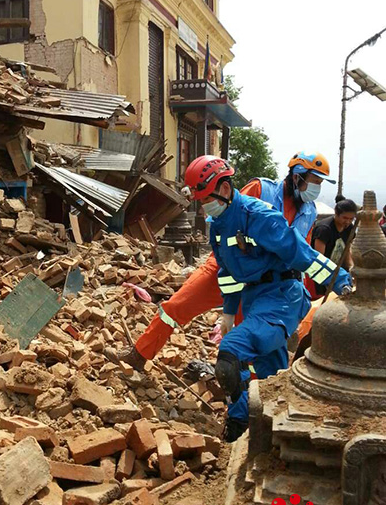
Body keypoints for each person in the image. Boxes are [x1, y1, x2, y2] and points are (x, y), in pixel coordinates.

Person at [105, 151, 335, 371]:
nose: (316, 188)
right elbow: (229, 213)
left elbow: (301, 252)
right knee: (175, 307)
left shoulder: (310, 213)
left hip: (267, 285)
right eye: (314, 181)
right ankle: (139, 354)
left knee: (255, 341)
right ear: (297, 176)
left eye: (320, 183)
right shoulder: (261, 189)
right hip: (225, 266)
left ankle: (246, 392)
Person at [182, 156, 352, 441]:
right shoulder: (219, 226)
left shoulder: (258, 216)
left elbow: (301, 253)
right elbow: (227, 272)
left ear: (224, 189)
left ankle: (249, 407)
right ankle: (240, 428)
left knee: (231, 353)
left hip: (281, 297)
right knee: (270, 373)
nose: (203, 206)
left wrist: (342, 281)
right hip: (253, 299)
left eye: (204, 199)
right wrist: (228, 311)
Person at [310, 196, 357, 296]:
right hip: (323, 273)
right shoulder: (324, 229)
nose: (348, 221)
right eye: (345, 218)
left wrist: (351, 268)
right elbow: (319, 257)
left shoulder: (349, 228)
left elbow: (347, 250)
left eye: (351, 219)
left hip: (340, 273)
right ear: (336, 214)